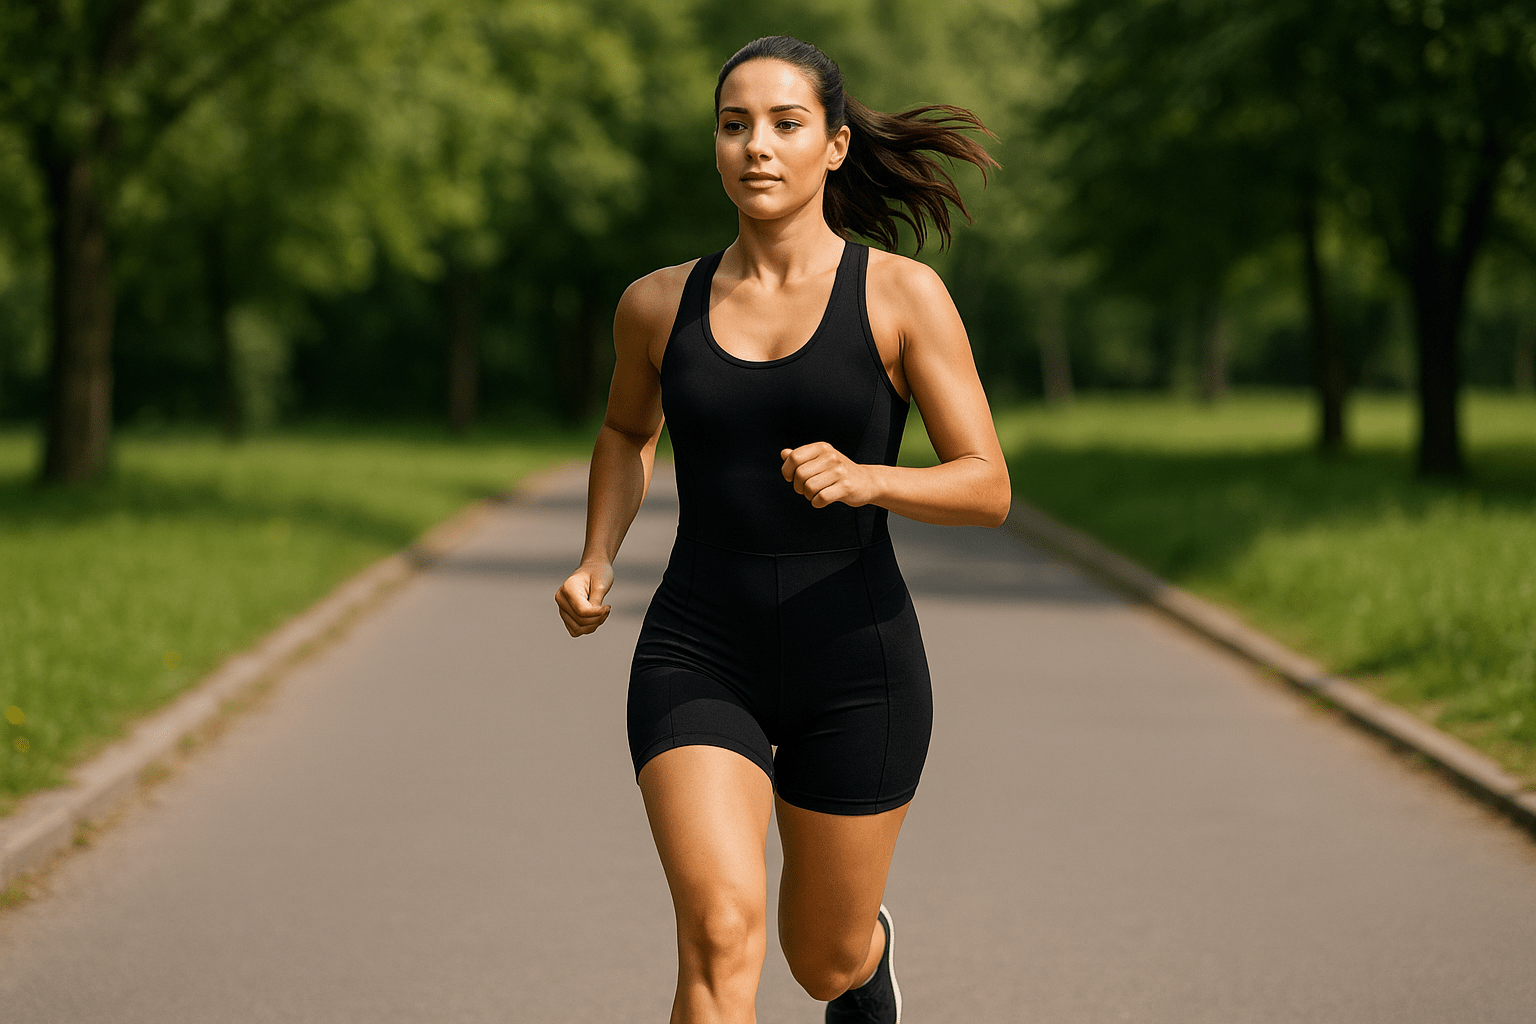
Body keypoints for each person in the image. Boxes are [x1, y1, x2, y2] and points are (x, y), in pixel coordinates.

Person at [555, 34, 1010, 1024]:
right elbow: (628, 431)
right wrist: (597, 555)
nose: (756, 145)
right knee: (720, 936)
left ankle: (871, 953)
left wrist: (868, 477)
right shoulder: (656, 305)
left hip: (857, 662)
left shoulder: (899, 297)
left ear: (835, 147)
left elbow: (987, 484)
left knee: (822, 957)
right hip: (697, 648)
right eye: (734, 124)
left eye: (785, 123)